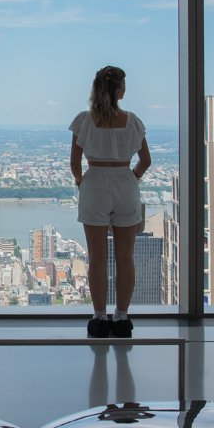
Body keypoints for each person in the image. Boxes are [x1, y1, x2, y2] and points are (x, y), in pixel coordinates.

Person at [69, 65, 151, 338]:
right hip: (125, 182)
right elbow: (145, 160)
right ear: (118, 90)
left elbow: (75, 163)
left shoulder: (84, 121)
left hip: (95, 182)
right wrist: (132, 178)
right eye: (124, 85)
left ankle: (99, 317)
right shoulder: (133, 121)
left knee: (97, 258)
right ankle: (122, 318)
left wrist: (81, 182)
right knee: (125, 257)